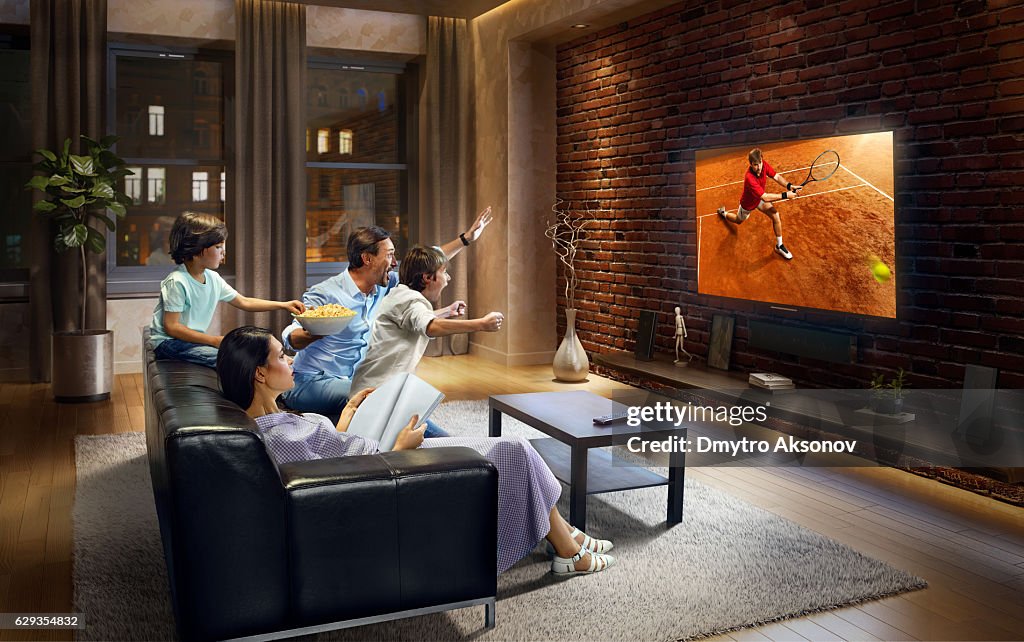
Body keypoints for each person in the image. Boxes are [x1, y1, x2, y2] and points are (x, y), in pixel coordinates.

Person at [217, 326, 617, 575]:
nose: (290, 360)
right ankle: (568, 551)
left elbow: (328, 456)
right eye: (282, 356)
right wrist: (398, 448)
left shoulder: (274, 422)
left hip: (383, 456)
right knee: (513, 448)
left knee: (513, 449)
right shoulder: (281, 437)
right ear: (260, 374)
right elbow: (341, 480)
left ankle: (560, 534)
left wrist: (349, 414)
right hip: (394, 472)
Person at [280, 207, 495, 432]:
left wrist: (465, 239)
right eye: (390, 254)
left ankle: (439, 445)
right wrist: (317, 329)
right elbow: (289, 336)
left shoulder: (385, 286)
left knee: (390, 398)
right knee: (386, 399)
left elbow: (425, 264)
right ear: (367, 259)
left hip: (357, 379)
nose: (394, 263)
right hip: (311, 381)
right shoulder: (327, 293)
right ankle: (449, 445)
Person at [149, 212, 305, 368]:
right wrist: (213, 340)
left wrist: (283, 304)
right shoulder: (177, 282)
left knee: (245, 349)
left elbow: (245, 302)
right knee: (232, 359)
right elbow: (172, 327)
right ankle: (279, 364)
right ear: (197, 250)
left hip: (189, 341)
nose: (223, 252)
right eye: (218, 247)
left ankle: (281, 362)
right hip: (168, 344)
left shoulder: (213, 278)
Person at [350, 245, 503, 392]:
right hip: (376, 393)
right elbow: (430, 327)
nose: (448, 278)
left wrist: (447, 312)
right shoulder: (412, 300)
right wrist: (481, 324)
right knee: (423, 417)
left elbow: (413, 321)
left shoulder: (400, 294)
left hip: (368, 387)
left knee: (424, 416)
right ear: (428, 277)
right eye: (444, 272)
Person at [718, 148, 802, 260]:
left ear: (762, 160)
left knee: (775, 216)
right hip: (748, 204)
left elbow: (776, 176)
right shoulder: (749, 178)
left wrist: (789, 186)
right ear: (751, 164)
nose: (759, 167)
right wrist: (786, 195)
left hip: (760, 199)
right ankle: (724, 213)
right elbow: (766, 197)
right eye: (755, 165)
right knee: (738, 220)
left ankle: (779, 246)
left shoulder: (764, 166)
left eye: (760, 163)